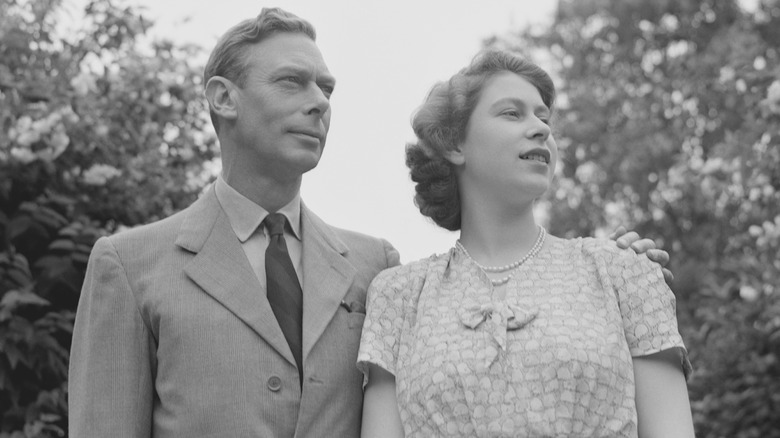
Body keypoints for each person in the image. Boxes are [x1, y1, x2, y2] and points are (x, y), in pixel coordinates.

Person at [68, 7, 671, 438]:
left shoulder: (373, 267)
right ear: (223, 98)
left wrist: (608, 273)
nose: (319, 101)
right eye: (292, 82)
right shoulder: (129, 265)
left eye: (326, 88)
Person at [358, 50, 695, 437]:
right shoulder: (398, 297)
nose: (540, 129)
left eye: (544, 118)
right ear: (455, 144)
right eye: (512, 113)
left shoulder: (624, 272)